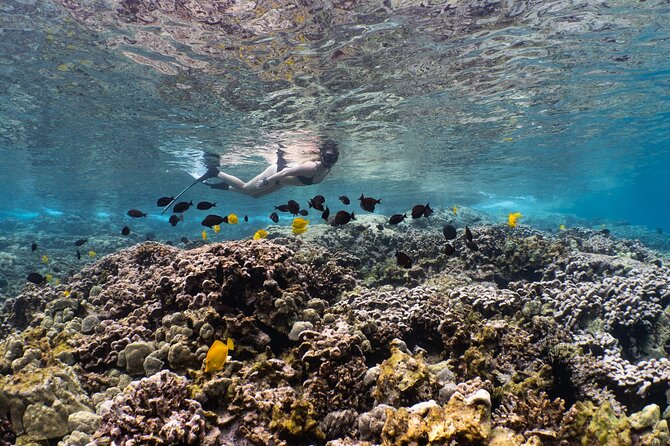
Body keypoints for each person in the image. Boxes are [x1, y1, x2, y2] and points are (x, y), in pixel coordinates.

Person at [197, 140, 339, 198]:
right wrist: (267, 180)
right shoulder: (311, 168)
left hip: (281, 182)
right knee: (246, 188)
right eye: (328, 157)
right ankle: (215, 172)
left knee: (254, 195)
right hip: (276, 173)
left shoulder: (327, 169)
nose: (330, 161)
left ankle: (221, 186)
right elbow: (286, 172)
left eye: (333, 158)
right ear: (322, 156)